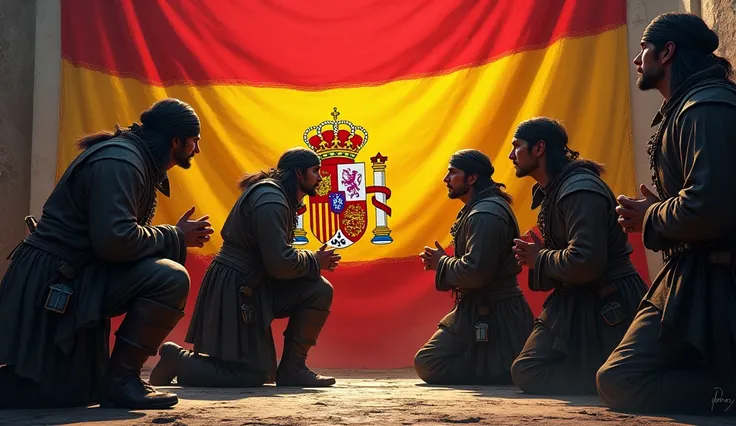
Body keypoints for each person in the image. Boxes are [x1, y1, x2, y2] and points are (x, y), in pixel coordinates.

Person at [0, 98, 214, 409]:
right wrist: (174, 236)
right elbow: (114, 241)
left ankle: (113, 381)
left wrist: (171, 236)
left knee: (72, 394)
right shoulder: (122, 162)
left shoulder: (133, 158)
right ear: (176, 140)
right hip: (54, 280)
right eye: (194, 141)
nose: (196, 150)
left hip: (76, 276)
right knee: (169, 277)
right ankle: (122, 382)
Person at [597, 13, 736, 415]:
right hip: (689, 274)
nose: (638, 59)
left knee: (622, 381)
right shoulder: (688, 107)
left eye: (644, 48)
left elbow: (711, 208)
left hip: (717, 280)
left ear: (668, 51)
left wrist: (651, 215)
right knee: (616, 380)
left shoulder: (706, 108)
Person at [150, 147, 341, 388]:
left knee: (318, 289)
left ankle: (293, 369)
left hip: (256, 284)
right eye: (316, 171)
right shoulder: (271, 199)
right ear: (299, 173)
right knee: (251, 375)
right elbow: (280, 263)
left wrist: (312, 262)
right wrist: (314, 260)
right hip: (237, 287)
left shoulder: (279, 196)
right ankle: (177, 360)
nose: (320, 178)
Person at [508, 117, 648, 395]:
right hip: (574, 299)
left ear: (539, 148)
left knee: (532, 371)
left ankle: (611, 377)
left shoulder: (578, 189)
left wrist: (541, 258)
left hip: (608, 301)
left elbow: (587, 261)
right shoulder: (557, 189)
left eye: (517, 146)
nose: (512, 155)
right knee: (526, 370)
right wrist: (538, 256)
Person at [414, 149, 534, 385]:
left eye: (453, 173)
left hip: (499, 312)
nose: (446, 179)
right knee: (427, 362)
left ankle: (499, 366)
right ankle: (496, 365)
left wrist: (442, 263)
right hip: (473, 309)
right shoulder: (479, 208)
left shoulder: (485, 214)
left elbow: (476, 272)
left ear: (472, 178)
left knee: (430, 363)